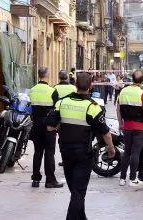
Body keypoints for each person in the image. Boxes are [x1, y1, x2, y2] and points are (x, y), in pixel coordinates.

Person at [46, 72, 115, 220]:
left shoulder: (61, 103)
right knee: (78, 191)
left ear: (75, 85)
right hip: (83, 153)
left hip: (65, 152)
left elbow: (49, 127)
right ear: (91, 86)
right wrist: (111, 148)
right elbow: (106, 133)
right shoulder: (92, 107)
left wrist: (60, 127)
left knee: (75, 190)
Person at [116, 69, 143, 186]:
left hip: (127, 126)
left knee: (127, 152)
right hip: (140, 127)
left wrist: (120, 124)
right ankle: (133, 179)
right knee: (135, 153)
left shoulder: (123, 91)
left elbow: (118, 109)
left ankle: (122, 178)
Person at [29, 67, 63, 188]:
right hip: (48, 125)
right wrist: (57, 125)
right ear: (47, 75)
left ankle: (36, 180)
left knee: (37, 152)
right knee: (49, 152)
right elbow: (57, 108)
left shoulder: (32, 90)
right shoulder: (52, 91)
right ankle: (50, 180)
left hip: (36, 124)